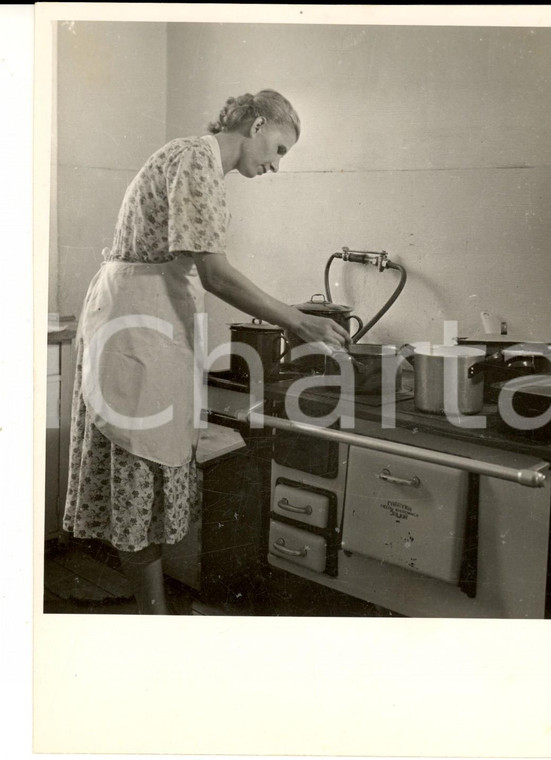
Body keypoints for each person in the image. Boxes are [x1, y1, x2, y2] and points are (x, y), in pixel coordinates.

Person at [62, 89, 349, 614]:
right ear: (257, 125)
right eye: (279, 149)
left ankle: (156, 614)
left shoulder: (195, 162)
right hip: (137, 329)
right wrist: (296, 319)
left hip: (146, 324)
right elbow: (215, 274)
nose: (277, 166)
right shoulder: (196, 158)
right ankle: (157, 618)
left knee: (144, 474)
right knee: (138, 472)